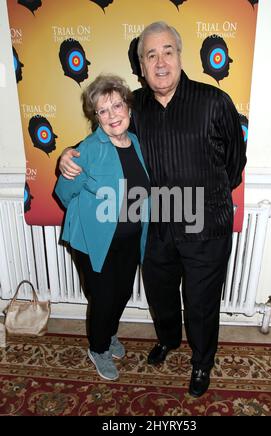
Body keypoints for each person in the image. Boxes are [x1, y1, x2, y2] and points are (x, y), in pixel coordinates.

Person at [58, 21, 246, 397]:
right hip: (156, 223)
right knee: (160, 294)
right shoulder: (133, 107)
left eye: (167, 52)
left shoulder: (214, 101)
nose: (160, 62)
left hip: (204, 224)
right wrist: (66, 156)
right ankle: (167, 340)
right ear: (140, 67)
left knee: (201, 302)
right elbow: (105, 139)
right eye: (150, 55)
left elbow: (234, 164)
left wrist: (205, 199)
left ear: (180, 56)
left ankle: (201, 363)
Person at [55, 74, 150, 381]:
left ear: (128, 108)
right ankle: (97, 348)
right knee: (104, 296)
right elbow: (64, 193)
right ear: (95, 116)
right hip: (95, 240)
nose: (112, 115)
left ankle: (108, 335)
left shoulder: (135, 142)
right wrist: (93, 215)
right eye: (103, 110)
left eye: (117, 105)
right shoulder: (88, 149)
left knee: (122, 293)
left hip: (129, 237)